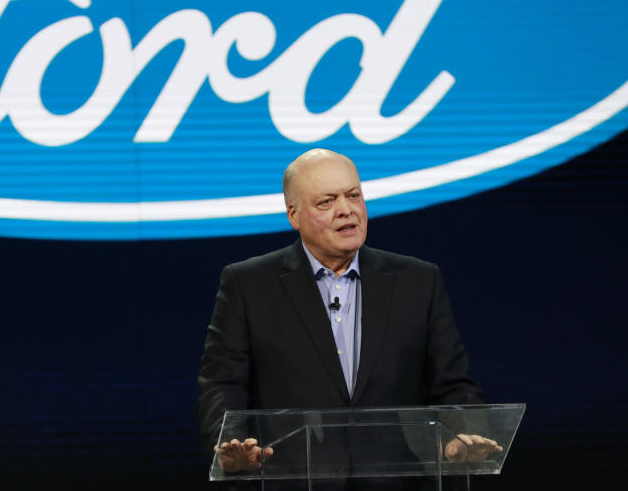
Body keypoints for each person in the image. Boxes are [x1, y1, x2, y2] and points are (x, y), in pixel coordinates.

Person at [195, 148, 501, 482]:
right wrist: (232, 445)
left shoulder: (418, 280)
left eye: (353, 195)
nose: (346, 210)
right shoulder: (248, 284)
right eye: (327, 202)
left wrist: (461, 436)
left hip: (395, 482)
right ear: (294, 215)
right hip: (292, 480)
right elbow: (223, 383)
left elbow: (452, 383)